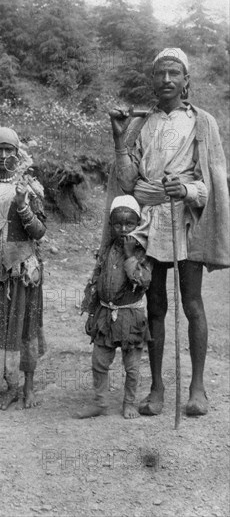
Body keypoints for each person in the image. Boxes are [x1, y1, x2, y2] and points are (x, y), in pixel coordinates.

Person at [107, 48, 230, 417]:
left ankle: (196, 389)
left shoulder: (203, 123)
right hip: (151, 221)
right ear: (152, 80)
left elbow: (214, 178)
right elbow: (129, 182)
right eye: (160, 73)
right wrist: (118, 139)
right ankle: (157, 388)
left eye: (174, 73)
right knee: (156, 305)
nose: (166, 80)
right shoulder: (141, 124)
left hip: (187, 218)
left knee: (192, 303)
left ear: (186, 80)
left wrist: (188, 190)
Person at [0, 127, 46, 410]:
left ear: (18, 153)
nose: (4, 155)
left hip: (23, 268)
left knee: (25, 325)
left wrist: (22, 206)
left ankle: (27, 387)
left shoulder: (29, 186)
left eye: (9, 150)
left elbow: (39, 232)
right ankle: (9, 386)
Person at [77, 195, 152, 419]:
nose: (123, 229)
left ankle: (129, 403)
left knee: (132, 367)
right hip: (105, 315)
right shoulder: (107, 249)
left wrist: (130, 255)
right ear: (111, 225)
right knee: (99, 361)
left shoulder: (143, 252)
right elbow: (95, 281)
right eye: (117, 223)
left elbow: (143, 281)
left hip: (131, 317)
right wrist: (91, 312)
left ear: (138, 224)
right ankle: (100, 402)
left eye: (129, 224)